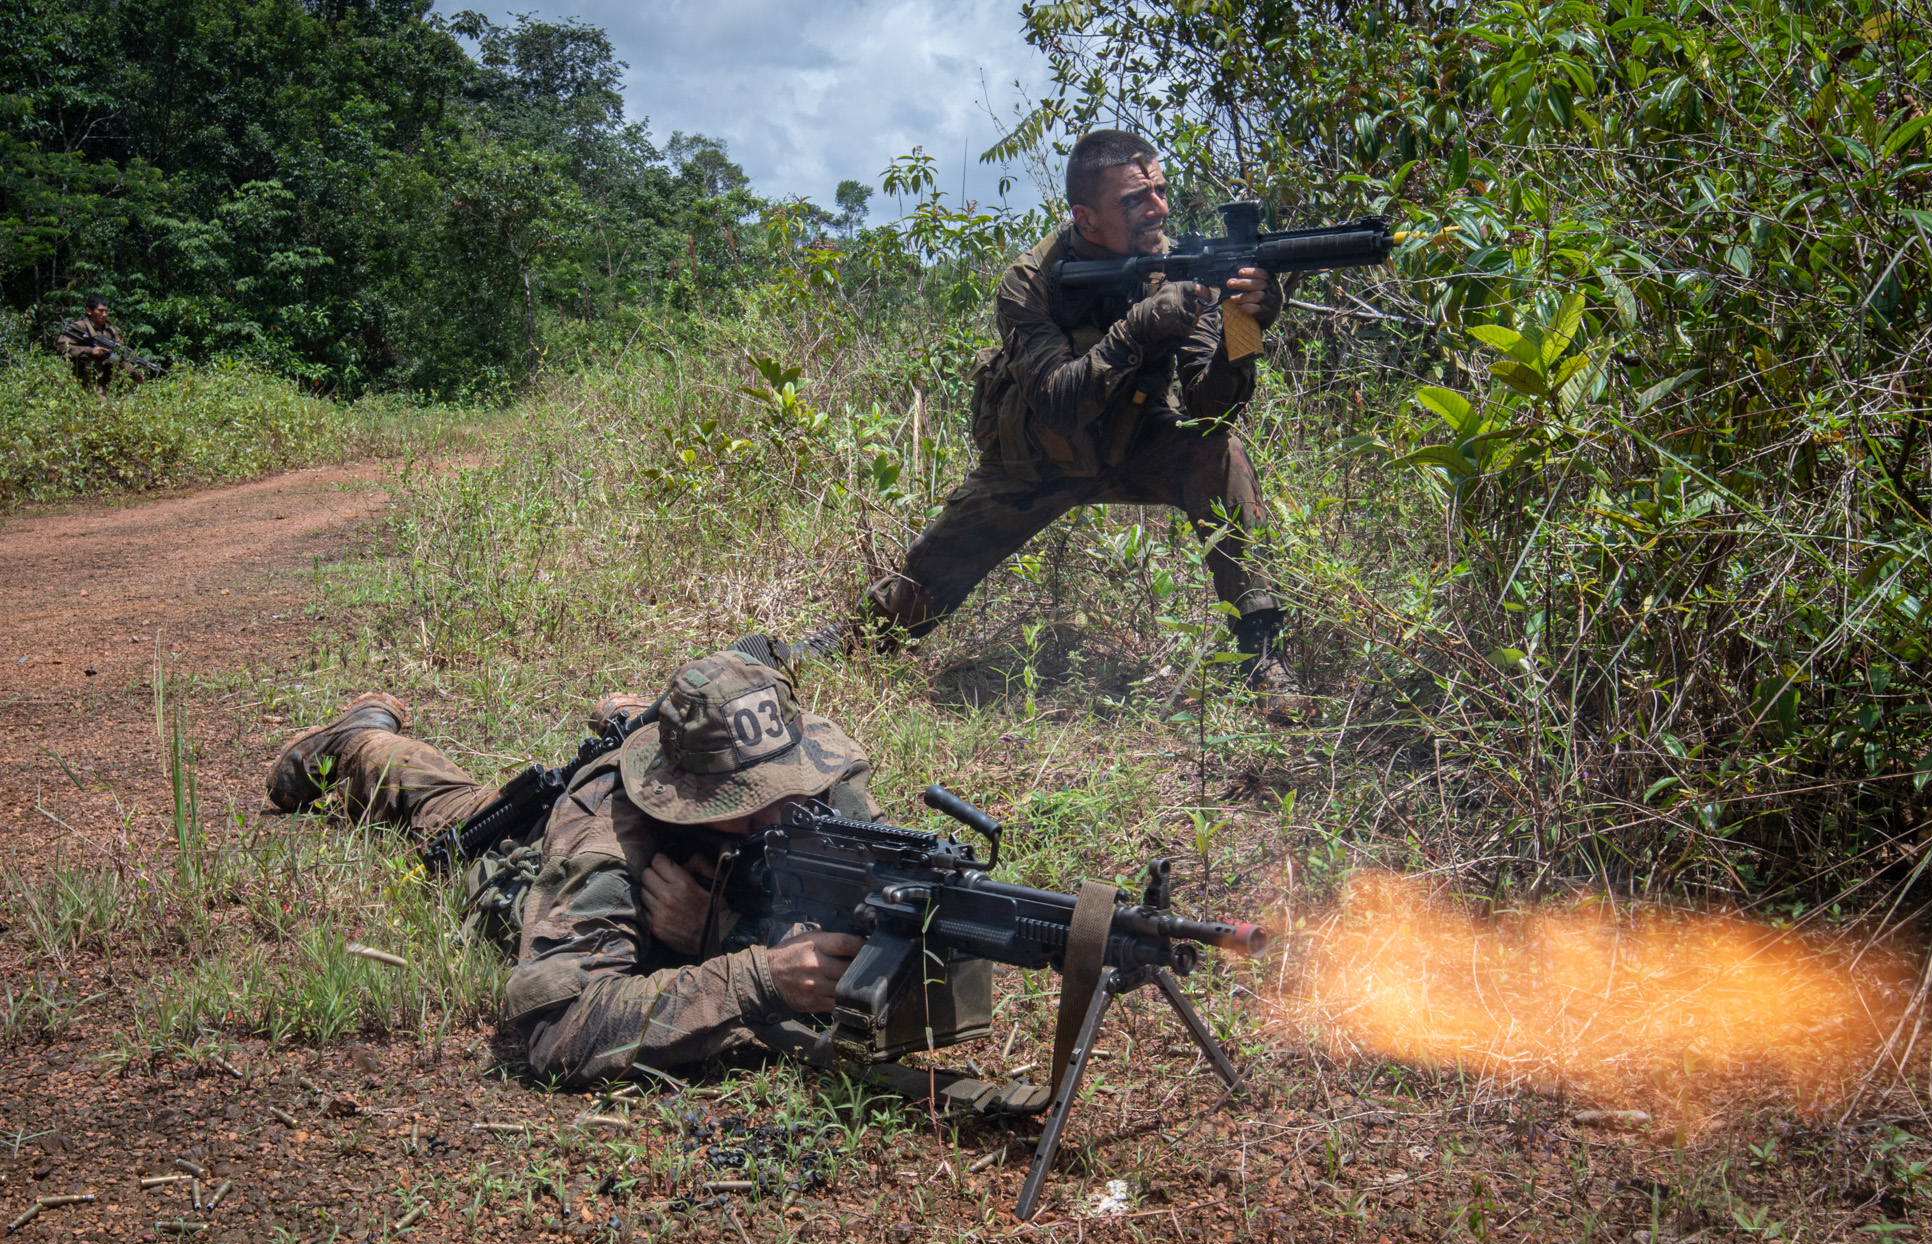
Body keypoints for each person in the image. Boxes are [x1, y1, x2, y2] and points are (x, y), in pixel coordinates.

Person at [813, 129, 1305, 715]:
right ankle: (830, 651)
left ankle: (1263, 659)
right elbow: (1056, 402)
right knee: (918, 594)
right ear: (1085, 217)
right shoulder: (1030, 281)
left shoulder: (1176, 268)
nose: (1159, 210)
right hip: (1035, 462)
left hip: (1135, 448)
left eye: (1161, 192)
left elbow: (1212, 408)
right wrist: (1140, 328)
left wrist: (1242, 328)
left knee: (1217, 452)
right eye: (1134, 200)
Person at [264, 650, 880, 1085]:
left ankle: (636, 716)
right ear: (686, 793)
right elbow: (561, 1029)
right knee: (449, 811)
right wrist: (752, 978)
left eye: (787, 791)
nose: (776, 818)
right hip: (532, 851)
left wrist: (715, 935)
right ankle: (359, 739)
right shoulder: (607, 827)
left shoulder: (820, 782)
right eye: (743, 806)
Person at [55, 295, 145, 396]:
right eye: (100, 311)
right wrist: (90, 351)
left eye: (106, 311)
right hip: (85, 382)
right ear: (89, 311)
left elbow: (120, 358)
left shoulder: (111, 331)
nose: (104, 314)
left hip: (110, 383)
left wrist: (133, 373)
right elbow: (62, 347)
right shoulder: (80, 328)